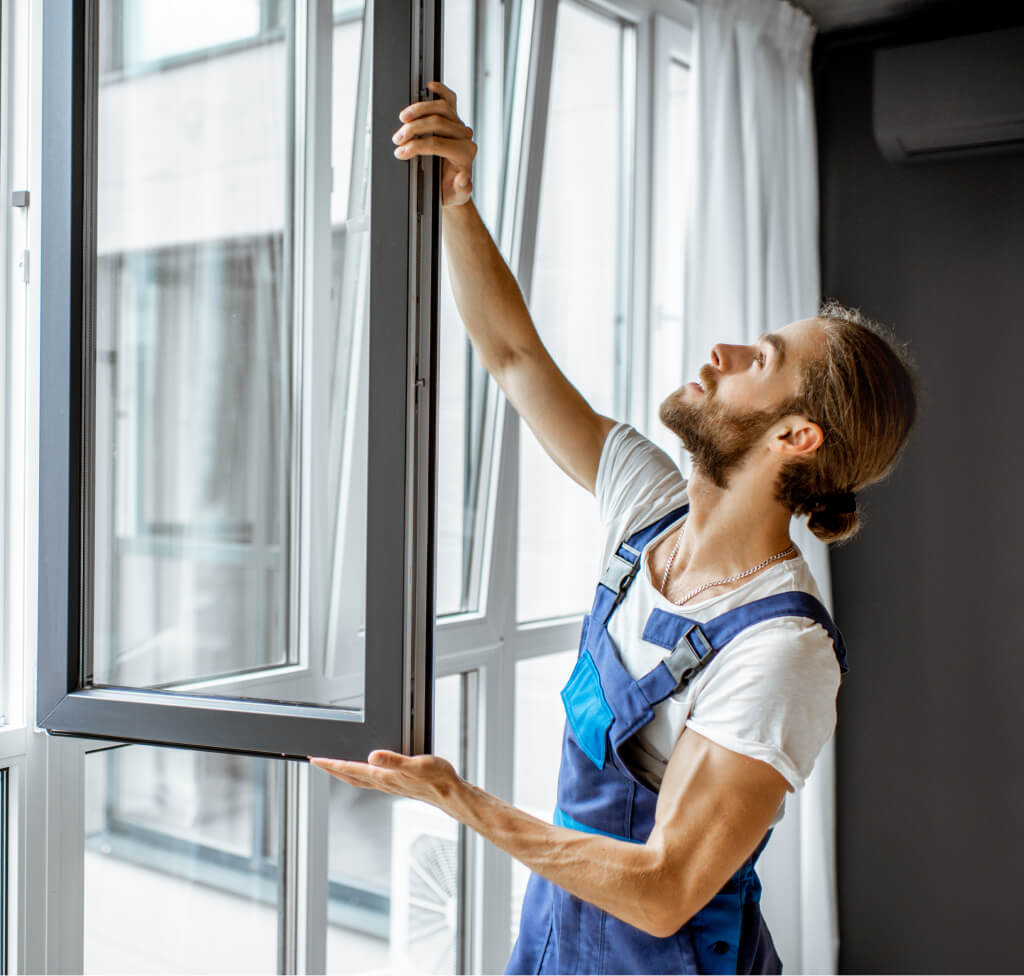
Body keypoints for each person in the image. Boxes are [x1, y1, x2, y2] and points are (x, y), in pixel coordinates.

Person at [311, 81, 917, 974]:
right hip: (559, 937)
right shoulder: (647, 506)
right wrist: (458, 200)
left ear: (796, 436)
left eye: (763, 360)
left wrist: (460, 800)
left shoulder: (782, 649)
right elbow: (515, 360)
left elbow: (667, 886)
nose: (723, 353)